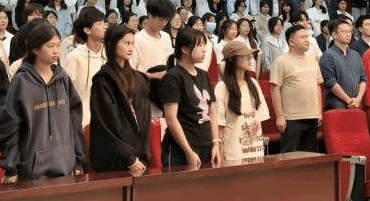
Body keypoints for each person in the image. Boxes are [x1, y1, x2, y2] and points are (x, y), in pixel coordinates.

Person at [0, 19, 84, 182]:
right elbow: (10, 127)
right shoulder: (22, 81)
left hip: (65, 166)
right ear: (35, 49)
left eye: (58, 45)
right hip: (31, 170)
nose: (56, 51)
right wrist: (11, 167)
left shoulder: (63, 79)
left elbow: (75, 122)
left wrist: (78, 160)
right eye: (50, 46)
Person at [88, 24, 152, 175]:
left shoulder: (138, 78)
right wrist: (129, 158)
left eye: (132, 43)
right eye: (126, 43)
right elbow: (106, 123)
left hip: (138, 155)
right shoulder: (103, 80)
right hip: (113, 159)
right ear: (112, 44)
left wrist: (142, 155)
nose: (130, 48)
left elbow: (145, 117)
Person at [160, 27, 220, 169]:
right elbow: (171, 118)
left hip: (206, 144)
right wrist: (188, 151)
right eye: (199, 45)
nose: (204, 50)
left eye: (204, 45)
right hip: (181, 149)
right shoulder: (173, 76)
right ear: (184, 49)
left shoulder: (204, 74)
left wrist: (216, 143)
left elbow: (212, 111)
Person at [214, 39, 269, 162]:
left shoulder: (253, 83)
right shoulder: (222, 88)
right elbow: (220, 124)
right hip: (234, 153)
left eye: (250, 56)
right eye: (244, 56)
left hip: (255, 150)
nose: (249, 59)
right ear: (232, 59)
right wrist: (220, 150)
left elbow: (259, 118)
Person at [270, 24, 323, 153]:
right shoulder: (281, 61)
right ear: (291, 42)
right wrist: (279, 116)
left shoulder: (312, 61)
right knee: (290, 156)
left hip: (312, 116)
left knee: (309, 156)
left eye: (307, 37)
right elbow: (274, 89)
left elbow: (317, 87)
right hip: (291, 118)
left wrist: (319, 111)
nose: (307, 40)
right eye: (302, 37)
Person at [62, 6, 107, 125]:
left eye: (104, 23)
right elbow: (66, 93)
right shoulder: (74, 57)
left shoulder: (108, 54)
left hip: (107, 120)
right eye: (99, 23)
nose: (104, 26)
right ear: (87, 30)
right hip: (82, 120)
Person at [320, 17, 366, 111]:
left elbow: (363, 79)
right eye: (344, 31)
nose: (348, 34)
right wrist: (348, 100)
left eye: (350, 31)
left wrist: (358, 99)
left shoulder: (356, 55)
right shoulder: (328, 55)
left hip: (357, 104)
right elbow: (331, 82)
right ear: (334, 34)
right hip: (336, 106)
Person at [132, 0, 175, 77]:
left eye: (166, 20)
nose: (163, 24)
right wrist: (154, 76)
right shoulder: (137, 39)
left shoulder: (166, 37)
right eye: (160, 20)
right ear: (149, 15)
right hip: (143, 82)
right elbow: (131, 71)